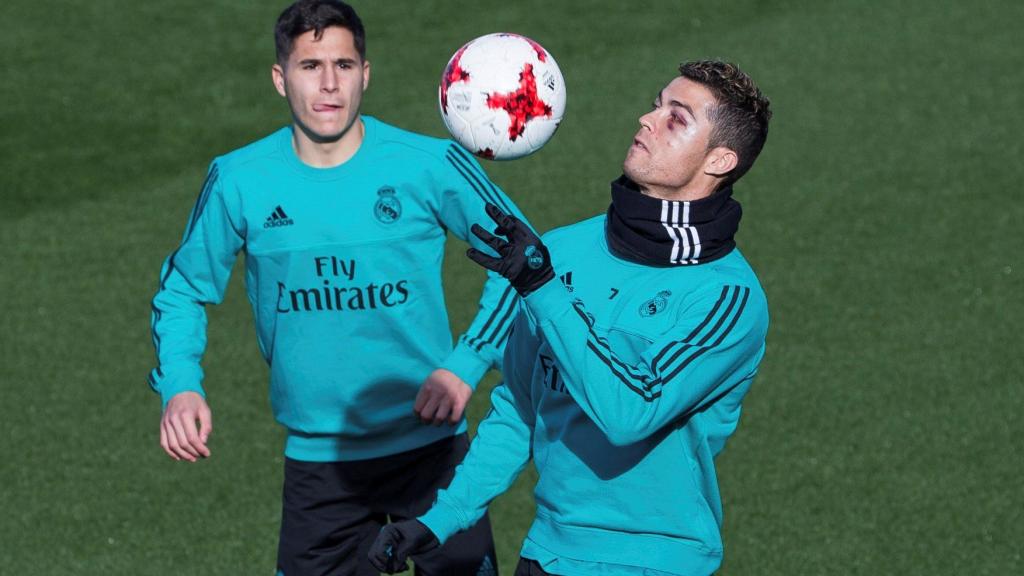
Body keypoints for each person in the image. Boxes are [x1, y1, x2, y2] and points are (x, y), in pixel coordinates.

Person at [148, 1, 526, 574]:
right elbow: (182, 288)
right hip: (319, 468)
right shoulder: (239, 179)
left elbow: (527, 263)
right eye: (310, 66)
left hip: (433, 457)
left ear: (365, 74)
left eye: (344, 66)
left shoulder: (430, 164)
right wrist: (180, 383)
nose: (329, 85)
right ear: (281, 79)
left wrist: (465, 365)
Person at [368, 60, 772, 576]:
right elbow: (520, 406)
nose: (646, 120)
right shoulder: (562, 250)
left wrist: (543, 289)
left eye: (677, 118)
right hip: (546, 554)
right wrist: (439, 520)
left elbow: (630, 412)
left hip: (650, 564)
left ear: (719, 159)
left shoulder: (726, 297)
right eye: (656, 104)